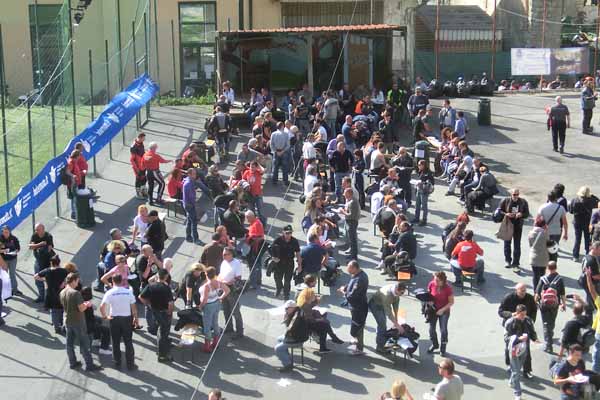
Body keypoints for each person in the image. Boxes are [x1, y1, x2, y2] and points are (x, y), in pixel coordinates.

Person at [60, 272, 102, 371]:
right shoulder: (75, 293)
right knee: (84, 343)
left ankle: (72, 362)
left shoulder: (62, 292)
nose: (78, 284)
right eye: (77, 281)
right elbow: (81, 308)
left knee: (69, 343)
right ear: (73, 281)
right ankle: (89, 364)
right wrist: (87, 304)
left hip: (67, 320)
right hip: (78, 321)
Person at [499, 283, 537, 378]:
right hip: (512, 328)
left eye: (525, 290)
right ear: (516, 290)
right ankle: (510, 365)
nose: (524, 293)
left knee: (526, 349)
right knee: (510, 347)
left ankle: (527, 370)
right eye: (521, 290)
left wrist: (531, 321)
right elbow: (500, 311)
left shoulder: (530, 298)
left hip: (524, 327)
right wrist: (511, 314)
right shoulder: (508, 298)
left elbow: (534, 310)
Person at [100, 274, 138, 371]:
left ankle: (117, 361)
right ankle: (130, 364)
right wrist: (135, 319)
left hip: (114, 319)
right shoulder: (128, 292)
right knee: (128, 342)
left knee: (115, 341)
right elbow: (134, 308)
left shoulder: (109, 293)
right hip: (127, 319)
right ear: (122, 281)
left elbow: (102, 307)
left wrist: (105, 316)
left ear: (112, 281)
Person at [138, 268, 174, 362]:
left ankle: (162, 346)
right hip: (164, 312)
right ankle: (162, 355)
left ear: (157, 276)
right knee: (163, 331)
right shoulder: (166, 288)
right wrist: (170, 312)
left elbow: (140, 297)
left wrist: (148, 305)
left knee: (160, 329)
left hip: (155, 311)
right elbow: (170, 303)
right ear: (166, 277)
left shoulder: (151, 286)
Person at [505, 304, 539, 400]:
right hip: (514, 350)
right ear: (517, 313)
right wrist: (518, 339)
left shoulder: (528, 320)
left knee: (518, 368)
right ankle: (517, 393)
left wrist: (535, 338)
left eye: (525, 314)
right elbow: (506, 338)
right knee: (516, 372)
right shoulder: (510, 322)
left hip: (524, 349)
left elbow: (532, 331)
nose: (524, 317)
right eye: (522, 315)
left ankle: (512, 381)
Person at [534, 261, 566, 353]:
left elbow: (537, 293)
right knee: (552, 321)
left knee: (545, 324)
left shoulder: (543, 279)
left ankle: (548, 345)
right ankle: (550, 335)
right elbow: (562, 294)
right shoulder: (559, 279)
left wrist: (535, 303)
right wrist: (563, 304)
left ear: (547, 268)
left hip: (544, 305)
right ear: (556, 268)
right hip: (554, 305)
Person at [338, 260, 368, 355]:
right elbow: (351, 283)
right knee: (356, 325)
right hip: (356, 306)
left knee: (358, 326)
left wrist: (343, 292)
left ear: (355, 268)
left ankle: (359, 348)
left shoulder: (360, 279)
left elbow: (352, 295)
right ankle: (356, 340)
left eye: (349, 269)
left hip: (358, 307)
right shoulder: (358, 274)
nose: (348, 271)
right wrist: (346, 287)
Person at [198, 266, 230, 353]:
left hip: (208, 306)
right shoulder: (218, 282)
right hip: (216, 303)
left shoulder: (206, 286)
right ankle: (216, 342)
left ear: (206, 274)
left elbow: (204, 300)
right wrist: (220, 298)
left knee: (207, 326)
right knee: (215, 322)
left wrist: (200, 307)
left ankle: (207, 346)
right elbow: (227, 290)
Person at [34, 255, 68, 334]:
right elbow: (69, 278)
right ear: (59, 262)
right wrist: (64, 283)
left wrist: (44, 279)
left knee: (53, 311)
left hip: (50, 293)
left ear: (51, 263)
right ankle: (60, 323)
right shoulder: (64, 271)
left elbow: (35, 276)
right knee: (61, 309)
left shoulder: (47, 271)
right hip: (61, 293)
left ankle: (56, 326)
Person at [369, 282, 406, 353]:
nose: (402, 294)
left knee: (382, 324)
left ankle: (381, 339)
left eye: (403, 293)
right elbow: (388, 312)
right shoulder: (387, 295)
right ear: (396, 290)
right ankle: (380, 347)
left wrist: (396, 319)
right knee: (382, 325)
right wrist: (397, 325)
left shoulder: (397, 291)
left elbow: (396, 304)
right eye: (401, 293)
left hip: (383, 304)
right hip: (376, 305)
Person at [498, 189, 530, 271]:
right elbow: (499, 210)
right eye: (514, 194)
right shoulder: (505, 200)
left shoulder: (523, 202)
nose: (516, 196)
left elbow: (527, 214)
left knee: (517, 245)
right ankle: (508, 261)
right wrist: (506, 214)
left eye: (517, 194)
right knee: (507, 243)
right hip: (508, 224)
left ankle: (516, 263)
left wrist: (521, 214)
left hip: (518, 225)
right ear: (511, 194)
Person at [275, 300, 310, 373]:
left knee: (277, 348)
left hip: (298, 338)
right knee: (279, 339)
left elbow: (289, 330)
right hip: (297, 335)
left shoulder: (296, 317)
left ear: (292, 308)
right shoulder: (297, 311)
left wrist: (286, 319)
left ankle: (288, 365)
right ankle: (287, 359)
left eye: (287, 308)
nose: (285, 310)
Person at [218, 247, 244, 339]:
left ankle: (239, 332)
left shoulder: (236, 263)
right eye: (223, 254)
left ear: (231, 254)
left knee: (235, 311)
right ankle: (228, 328)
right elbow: (220, 274)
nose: (223, 256)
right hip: (222, 288)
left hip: (232, 290)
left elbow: (238, 278)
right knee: (226, 309)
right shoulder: (224, 262)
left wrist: (226, 282)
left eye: (225, 254)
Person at [271, 225, 301, 300]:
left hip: (289, 263)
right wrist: (273, 258)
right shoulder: (278, 240)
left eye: (290, 232)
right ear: (283, 232)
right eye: (287, 233)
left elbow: (297, 253)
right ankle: (279, 288)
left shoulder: (294, 241)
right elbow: (271, 250)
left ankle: (286, 294)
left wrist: (299, 265)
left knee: (287, 280)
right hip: (279, 263)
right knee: (277, 278)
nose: (288, 234)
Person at [570, 186, 600, 262]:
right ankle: (588, 255)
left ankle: (575, 256)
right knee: (587, 240)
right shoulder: (592, 200)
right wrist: (592, 195)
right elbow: (598, 201)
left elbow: (570, 210)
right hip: (587, 222)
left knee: (577, 239)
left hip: (577, 222)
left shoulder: (575, 200)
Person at [428, 271, 454, 356]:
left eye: (438, 280)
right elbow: (428, 295)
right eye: (435, 279)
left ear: (443, 281)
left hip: (444, 311)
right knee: (431, 329)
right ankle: (435, 345)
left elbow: (451, 302)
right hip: (433, 310)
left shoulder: (448, 288)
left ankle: (443, 348)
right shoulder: (432, 284)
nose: (435, 282)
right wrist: (429, 301)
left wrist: (442, 310)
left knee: (443, 330)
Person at [538, 191, 568, 261]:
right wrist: (565, 234)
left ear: (548, 198)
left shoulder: (542, 207)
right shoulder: (561, 208)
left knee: (544, 250)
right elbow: (565, 223)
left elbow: (537, 221)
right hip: (556, 232)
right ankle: (552, 268)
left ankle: (544, 266)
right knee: (554, 251)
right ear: (556, 198)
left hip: (545, 231)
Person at [29, 223, 54, 303]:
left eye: (38, 230)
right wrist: (40, 244)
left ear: (43, 229)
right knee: (38, 280)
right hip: (38, 261)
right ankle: (41, 296)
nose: (36, 231)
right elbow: (30, 247)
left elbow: (49, 249)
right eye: (36, 230)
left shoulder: (48, 236)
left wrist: (37, 247)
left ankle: (49, 299)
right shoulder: (34, 235)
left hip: (48, 262)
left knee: (49, 281)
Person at [182, 168, 204, 245]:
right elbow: (191, 197)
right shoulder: (189, 184)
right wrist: (195, 205)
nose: (195, 175)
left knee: (189, 221)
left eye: (195, 173)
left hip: (186, 204)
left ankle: (188, 237)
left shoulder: (187, 180)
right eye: (194, 174)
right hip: (190, 205)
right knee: (194, 222)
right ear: (189, 174)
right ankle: (196, 239)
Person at [528, 216, 551, 290]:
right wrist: (546, 230)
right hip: (543, 257)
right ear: (544, 225)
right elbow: (548, 244)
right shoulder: (545, 234)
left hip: (534, 257)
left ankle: (535, 291)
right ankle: (540, 290)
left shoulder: (531, 233)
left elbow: (530, 244)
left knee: (535, 275)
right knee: (542, 275)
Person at [340, 187, 360, 260]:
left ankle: (354, 256)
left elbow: (351, 215)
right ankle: (352, 253)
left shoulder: (353, 202)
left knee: (353, 240)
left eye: (345, 193)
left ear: (349, 194)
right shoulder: (349, 200)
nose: (343, 195)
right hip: (349, 221)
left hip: (352, 222)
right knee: (351, 239)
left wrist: (343, 212)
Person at [0, 226, 20, 296]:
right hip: (3, 260)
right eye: (4, 232)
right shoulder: (0, 239)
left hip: (13, 259)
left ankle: (15, 290)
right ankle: (5, 291)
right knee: (4, 276)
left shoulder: (14, 238)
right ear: (2, 232)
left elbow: (18, 248)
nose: (5, 234)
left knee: (12, 275)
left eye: (7, 232)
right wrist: (3, 251)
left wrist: (16, 251)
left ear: (9, 232)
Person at [413, 159, 434, 226]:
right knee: (417, 205)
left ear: (423, 165)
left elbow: (431, 182)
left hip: (424, 191)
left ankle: (424, 220)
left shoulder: (428, 172)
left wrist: (423, 182)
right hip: (419, 189)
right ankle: (417, 218)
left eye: (419, 165)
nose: (418, 166)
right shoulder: (420, 171)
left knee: (424, 206)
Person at [130, 132, 147, 199]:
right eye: (143, 138)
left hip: (143, 165)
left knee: (144, 177)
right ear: (140, 137)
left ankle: (143, 190)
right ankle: (138, 193)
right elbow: (132, 159)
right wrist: (136, 168)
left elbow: (142, 153)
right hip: (137, 167)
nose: (144, 139)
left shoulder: (141, 143)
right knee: (138, 179)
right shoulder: (134, 146)